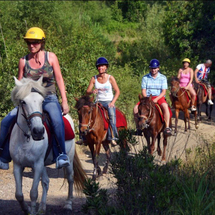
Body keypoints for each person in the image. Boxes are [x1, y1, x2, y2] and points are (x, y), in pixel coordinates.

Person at [0, 27, 70, 170]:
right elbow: (19, 84)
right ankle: (3, 155)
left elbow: (59, 79)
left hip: (49, 98)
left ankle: (61, 154)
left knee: (57, 121)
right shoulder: (23, 61)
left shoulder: (51, 57)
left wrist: (64, 100)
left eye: (35, 42)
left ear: (42, 43)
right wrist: (19, 102)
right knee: (6, 121)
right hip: (28, 100)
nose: (32, 45)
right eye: (29, 43)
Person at [76, 57, 120, 146]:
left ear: (106, 67)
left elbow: (117, 91)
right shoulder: (94, 78)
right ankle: (82, 137)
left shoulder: (110, 78)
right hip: (97, 102)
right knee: (84, 114)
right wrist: (92, 91)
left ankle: (113, 137)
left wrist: (112, 102)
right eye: (99, 66)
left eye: (102, 66)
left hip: (108, 101)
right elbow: (87, 92)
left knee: (111, 115)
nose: (100, 68)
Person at [133, 59, 172, 135]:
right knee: (135, 108)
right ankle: (138, 127)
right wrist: (147, 99)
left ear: (158, 68)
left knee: (165, 107)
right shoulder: (145, 78)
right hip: (147, 98)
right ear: (150, 68)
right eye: (152, 68)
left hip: (159, 97)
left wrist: (157, 99)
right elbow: (143, 90)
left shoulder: (163, 78)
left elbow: (164, 91)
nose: (153, 70)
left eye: (155, 68)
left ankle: (167, 127)